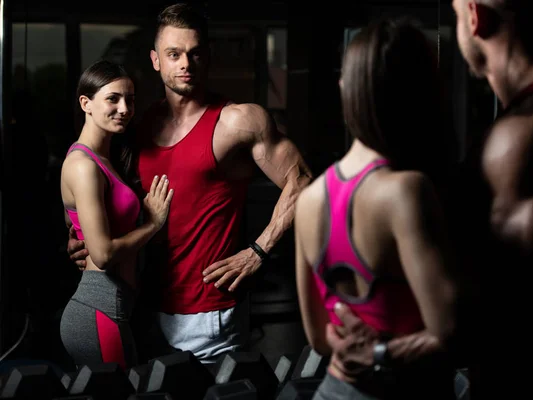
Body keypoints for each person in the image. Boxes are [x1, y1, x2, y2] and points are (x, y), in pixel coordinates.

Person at [328, 1, 533, 398]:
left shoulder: (518, 141)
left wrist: (378, 352)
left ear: (475, 17)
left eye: (455, 16)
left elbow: (500, 322)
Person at [67, 3, 312, 364]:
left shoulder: (238, 121)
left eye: (195, 53)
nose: (185, 63)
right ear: (156, 60)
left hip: (210, 313)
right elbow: (110, 197)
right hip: (142, 307)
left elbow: (302, 180)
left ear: (207, 57)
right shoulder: (139, 126)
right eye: (174, 53)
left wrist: (258, 251)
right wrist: (82, 238)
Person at [294, 18, 459, 399]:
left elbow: (319, 339)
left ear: (344, 90)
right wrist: (383, 351)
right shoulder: (405, 192)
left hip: (335, 389)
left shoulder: (309, 199)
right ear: (420, 94)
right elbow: (451, 332)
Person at [60, 59, 173, 370]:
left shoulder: (105, 160)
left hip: (117, 307)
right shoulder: (83, 165)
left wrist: (76, 239)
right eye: (113, 98)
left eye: (130, 99)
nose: (124, 108)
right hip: (98, 309)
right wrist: (153, 224)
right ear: (86, 103)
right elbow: (104, 254)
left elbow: (73, 225)